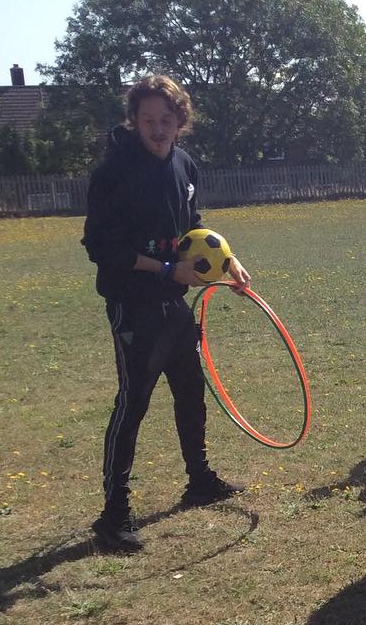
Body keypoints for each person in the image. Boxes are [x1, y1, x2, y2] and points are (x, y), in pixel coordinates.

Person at [81, 75, 251, 554]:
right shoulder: (113, 172)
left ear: (180, 122)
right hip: (133, 303)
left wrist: (228, 261)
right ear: (134, 121)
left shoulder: (184, 164)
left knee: (190, 392)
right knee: (133, 402)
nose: (158, 129)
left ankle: (199, 479)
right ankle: (114, 513)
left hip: (172, 302)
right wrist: (165, 269)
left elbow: (192, 226)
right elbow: (100, 247)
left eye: (166, 120)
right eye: (148, 120)